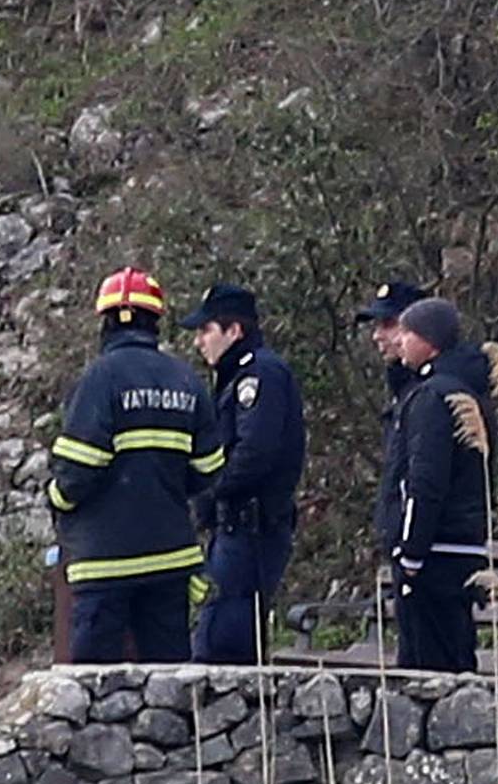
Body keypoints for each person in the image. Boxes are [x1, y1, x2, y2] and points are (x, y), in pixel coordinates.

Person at [47, 269, 224, 663]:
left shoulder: (99, 379)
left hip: (103, 562)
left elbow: (76, 472)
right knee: (168, 684)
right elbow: (209, 468)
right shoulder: (186, 380)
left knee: (94, 689)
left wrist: (57, 499)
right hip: (170, 560)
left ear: (106, 322)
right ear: (155, 322)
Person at [179, 280, 307, 663]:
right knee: (219, 632)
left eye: (206, 331)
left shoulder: (259, 376)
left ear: (234, 331)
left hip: (250, 527)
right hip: (232, 526)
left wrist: (210, 488)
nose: (199, 342)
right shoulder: (233, 379)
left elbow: (254, 453)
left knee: (223, 643)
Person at [374, 297, 494, 673]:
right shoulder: (465, 391)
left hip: (434, 552)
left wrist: (410, 552)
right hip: (459, 545)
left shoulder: (432, 397)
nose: (399, 342)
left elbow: (424, 480)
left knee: (426, 666)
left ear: (431, 341)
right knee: (455, 655)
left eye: (408, 333)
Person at [354, 277, 429, 426]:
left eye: (388, 324)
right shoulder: (403, 386)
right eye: (377, 325)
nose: (377, 336)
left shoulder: (437, 392)